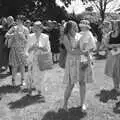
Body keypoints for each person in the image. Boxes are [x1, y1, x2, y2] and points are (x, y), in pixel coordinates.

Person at [62, 20, 92, 112]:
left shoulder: (80, 35)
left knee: (82, 83)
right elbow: (70, 51)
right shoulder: (66, 37)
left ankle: (82, 103)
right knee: (71, 84)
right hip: (71, 62)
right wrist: (83, 51)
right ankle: (65, 104)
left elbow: (86, 46)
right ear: (68, 28)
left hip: (82, 61)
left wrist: (88, 51)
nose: (75, 28)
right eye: (73, 26)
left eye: (76, 26)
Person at [26, 21, 51, 95]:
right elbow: (27, 49)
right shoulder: (30, 36)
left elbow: (48, 49)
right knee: (31, 74)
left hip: (42, 58)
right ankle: (29, 89)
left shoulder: (45, 37)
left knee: (41, 75)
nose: (35, 29)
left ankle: (39, 90)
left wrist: (40, 47)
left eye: (37, 27)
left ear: (41, 28)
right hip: (32, 58)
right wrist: (32, 48)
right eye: (34, 27)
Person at [5, 15, 29, 86]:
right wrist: (12, 35)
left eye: (19, 20)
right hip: (14, 49)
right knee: (14, 66)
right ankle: (13, 80)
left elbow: (28, 41)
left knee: (22, 66)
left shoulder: (26, 29)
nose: (18, 21)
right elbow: (6, 35)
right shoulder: (13, 28)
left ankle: (22, 80)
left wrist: (23, 36)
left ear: (22, 21)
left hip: (22, 50)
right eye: (17, 20)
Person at [104, 20, 120, 92]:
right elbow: (106, 44)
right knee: (114, 71)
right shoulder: (110, 34)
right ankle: (116, 86)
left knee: (119, 71)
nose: (114, 26)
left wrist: (115, 45)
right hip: (112, 55)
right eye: (114, 24)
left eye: (116, 24)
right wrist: (110, 46)